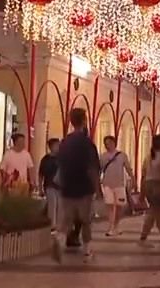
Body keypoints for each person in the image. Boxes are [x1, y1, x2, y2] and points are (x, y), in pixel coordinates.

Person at [57, 108, 100, 258]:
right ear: (84, 121)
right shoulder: (87, 143)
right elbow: (92, 168)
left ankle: (60, 245)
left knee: (66, 219)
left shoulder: (64, 142)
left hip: (67, 186)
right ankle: (87, 248)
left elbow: (60, 164)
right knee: (86, 219)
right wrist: (97, 189)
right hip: (84, 187)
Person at [139, 134, 160, 244]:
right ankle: (149, 234)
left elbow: (143, 176)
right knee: (155, 211)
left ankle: (159, 234)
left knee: (155, 210)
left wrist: (142, 192)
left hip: (148, 185)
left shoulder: (148, 157)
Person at [99, 135, 134, 236]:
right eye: (106, 144)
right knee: (110, 205)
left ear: (114, 143)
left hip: (119, 184)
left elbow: (128, 167)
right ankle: (110, 227)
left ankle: (116, 226)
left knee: (119, 206)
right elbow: (99, 169)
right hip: (107, 184)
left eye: (109, 143)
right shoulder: (103, 156)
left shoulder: (122, 155)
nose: (107, 145)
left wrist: (133, 178)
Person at [39, 138, 64, 237]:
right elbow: (41, 174)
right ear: (51, 147)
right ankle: (52, 225)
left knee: (60, 206)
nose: (58, 147)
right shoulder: (46, 159)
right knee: (52, 205)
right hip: (49, 185)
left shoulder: (62, 158)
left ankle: (59, 225)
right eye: (56, 145)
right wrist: (40, 187)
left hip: (61, 186)